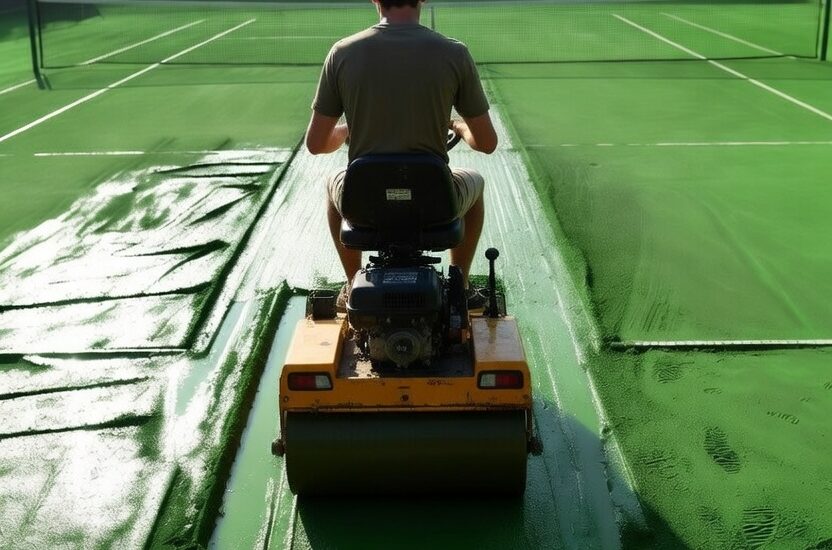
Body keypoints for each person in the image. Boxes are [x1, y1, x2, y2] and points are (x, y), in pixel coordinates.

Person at [305, 0, 498, 307]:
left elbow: (316, 144)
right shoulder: (454, 53)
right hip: (435, 203)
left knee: (332, 184)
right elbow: (487, 142)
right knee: (475, 181)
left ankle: (352, 284)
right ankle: (458, 285)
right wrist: (461, 129)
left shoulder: (341, 52)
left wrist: (346, 131)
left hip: (363, 203)